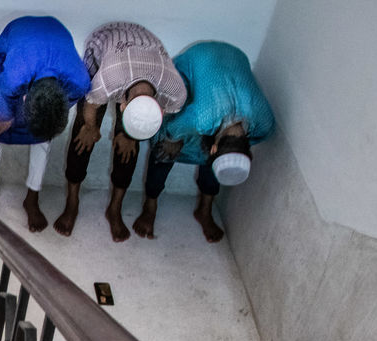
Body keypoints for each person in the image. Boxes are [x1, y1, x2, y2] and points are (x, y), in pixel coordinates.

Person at [53, 22, 187, 241]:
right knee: (82, 137)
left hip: (147, 55)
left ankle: (114, 208)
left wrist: (130, 135)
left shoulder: (175, 92)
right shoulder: (107, 80)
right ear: (122, 105)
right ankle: (72, 202)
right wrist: (90, 127)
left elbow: (157, 120)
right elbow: (91, 103)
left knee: (128, 148)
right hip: (106, 47)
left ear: (159, 106)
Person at [134, 41, 275, 243]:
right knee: (165, 150)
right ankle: (150, 205)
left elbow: (242, 144)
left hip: (235, 58)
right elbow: (173, 131)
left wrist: (222, 154)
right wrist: (173, 141)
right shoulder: (202, 117)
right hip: (195, 60)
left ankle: (204, 209)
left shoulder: (265, 122)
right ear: (214, 147)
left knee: (220, 160)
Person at [0, 16, 90, 231]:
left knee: (43, 138)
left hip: (55, 34)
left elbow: (58, 110)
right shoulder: (13, 77)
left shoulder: (79, 82)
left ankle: (32, 198)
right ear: (25, 96)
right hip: (19, 31)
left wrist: (46, 122)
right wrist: (6, 118)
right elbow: (4, 93)